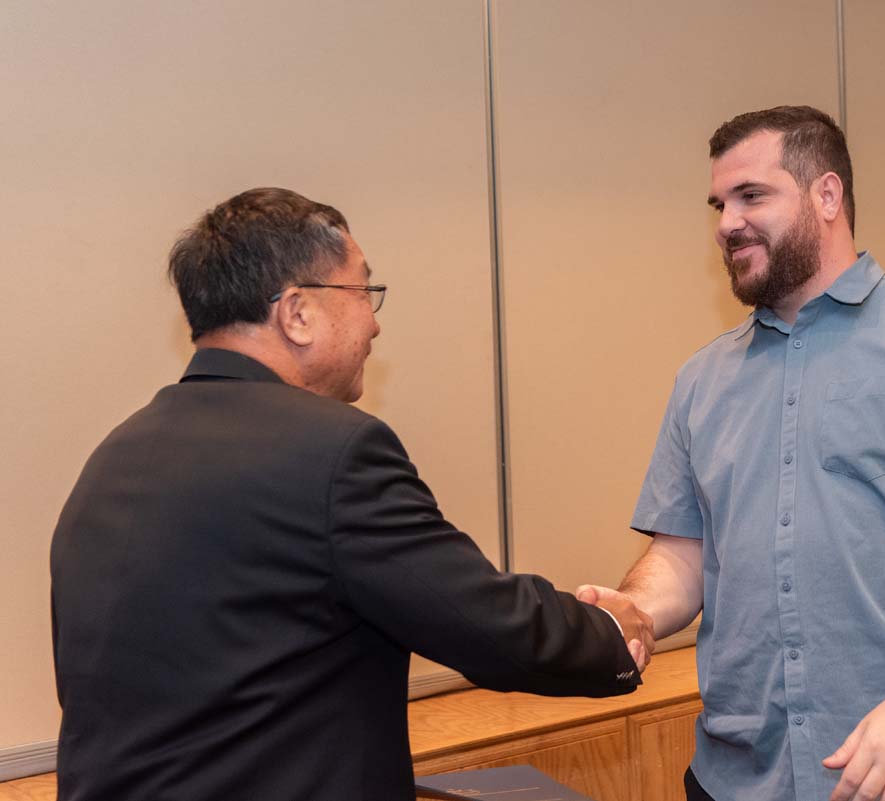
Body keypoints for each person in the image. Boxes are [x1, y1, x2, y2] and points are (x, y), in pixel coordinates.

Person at [50, 187, 654, 801]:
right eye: (363, 291)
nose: (374, 320)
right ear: (297, 313)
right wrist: (611, 631)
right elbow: (484, 623)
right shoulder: (329, 451)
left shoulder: (118, 453)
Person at [576, 106, 885, 801]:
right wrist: (637, 609)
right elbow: (681, 556)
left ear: (826, 196)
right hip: (739, 779)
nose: (725, 222)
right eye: (718, 203)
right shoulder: (701, 381)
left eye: (751, 196)